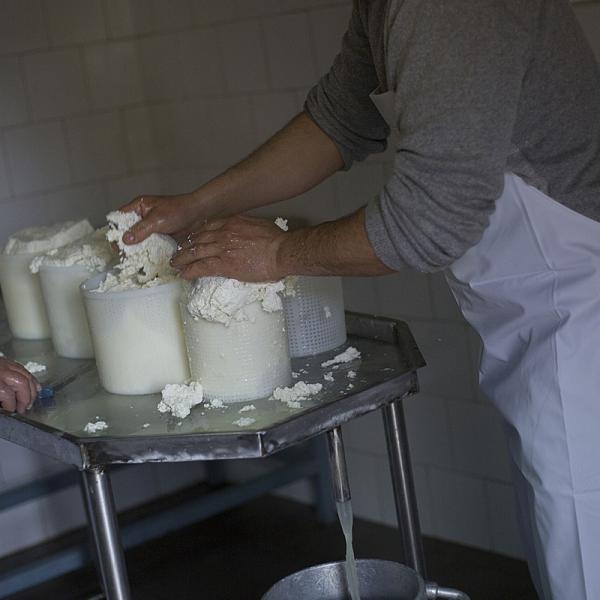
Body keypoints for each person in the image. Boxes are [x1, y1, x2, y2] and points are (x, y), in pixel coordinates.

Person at [118, 1, 600, 597]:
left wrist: (276, 256)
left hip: (583, 309)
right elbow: (341, 118)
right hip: (535, 313)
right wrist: (197, 205)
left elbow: (428, 221)